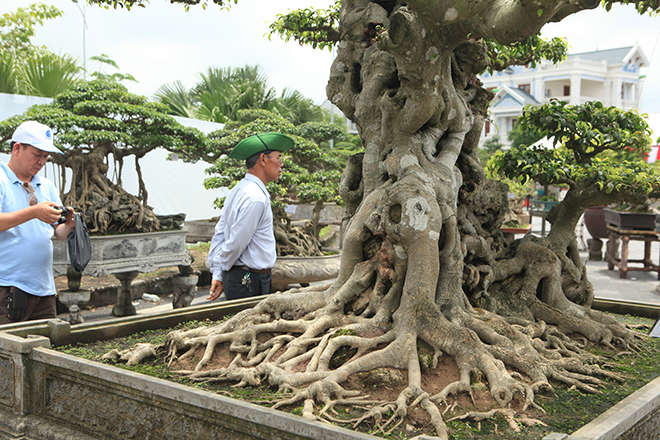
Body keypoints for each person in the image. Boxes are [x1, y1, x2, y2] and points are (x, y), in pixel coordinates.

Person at [0, 121, 75, 325]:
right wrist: (34, 212)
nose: (42, 161)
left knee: (46, 348)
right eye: (37, 154)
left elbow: (57, 232)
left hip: (44, 288)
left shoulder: (46, 185)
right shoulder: (1, 180)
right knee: (8, 350)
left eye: (45, 156)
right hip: (7, 286)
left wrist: (69, 225)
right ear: (17, 148)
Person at [207, 132, 294, 301]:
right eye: (278, 157)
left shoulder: (238, 190)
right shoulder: (256, 198)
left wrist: (218, 273)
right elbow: (236, 242)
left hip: (242, 276)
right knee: (249, 320)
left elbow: (220, 234)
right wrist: (221, 270)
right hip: (248, 278)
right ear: (263, 159)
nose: (282, 164)